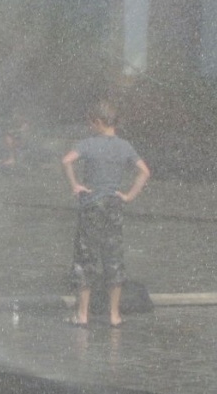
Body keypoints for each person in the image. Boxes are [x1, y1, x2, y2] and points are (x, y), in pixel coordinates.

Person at [61, 100, 150, 328]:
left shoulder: (88, 144)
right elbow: (144, 172)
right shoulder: (125, 146)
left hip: (91, 206)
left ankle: (82, 315)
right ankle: (114, 315)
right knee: (113, 259)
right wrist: (129, 196)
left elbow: (66, 161)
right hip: (113, 207)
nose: (90, 127)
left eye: (91, 123)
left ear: (99, 122)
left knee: (85, 259)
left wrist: (75, 185)